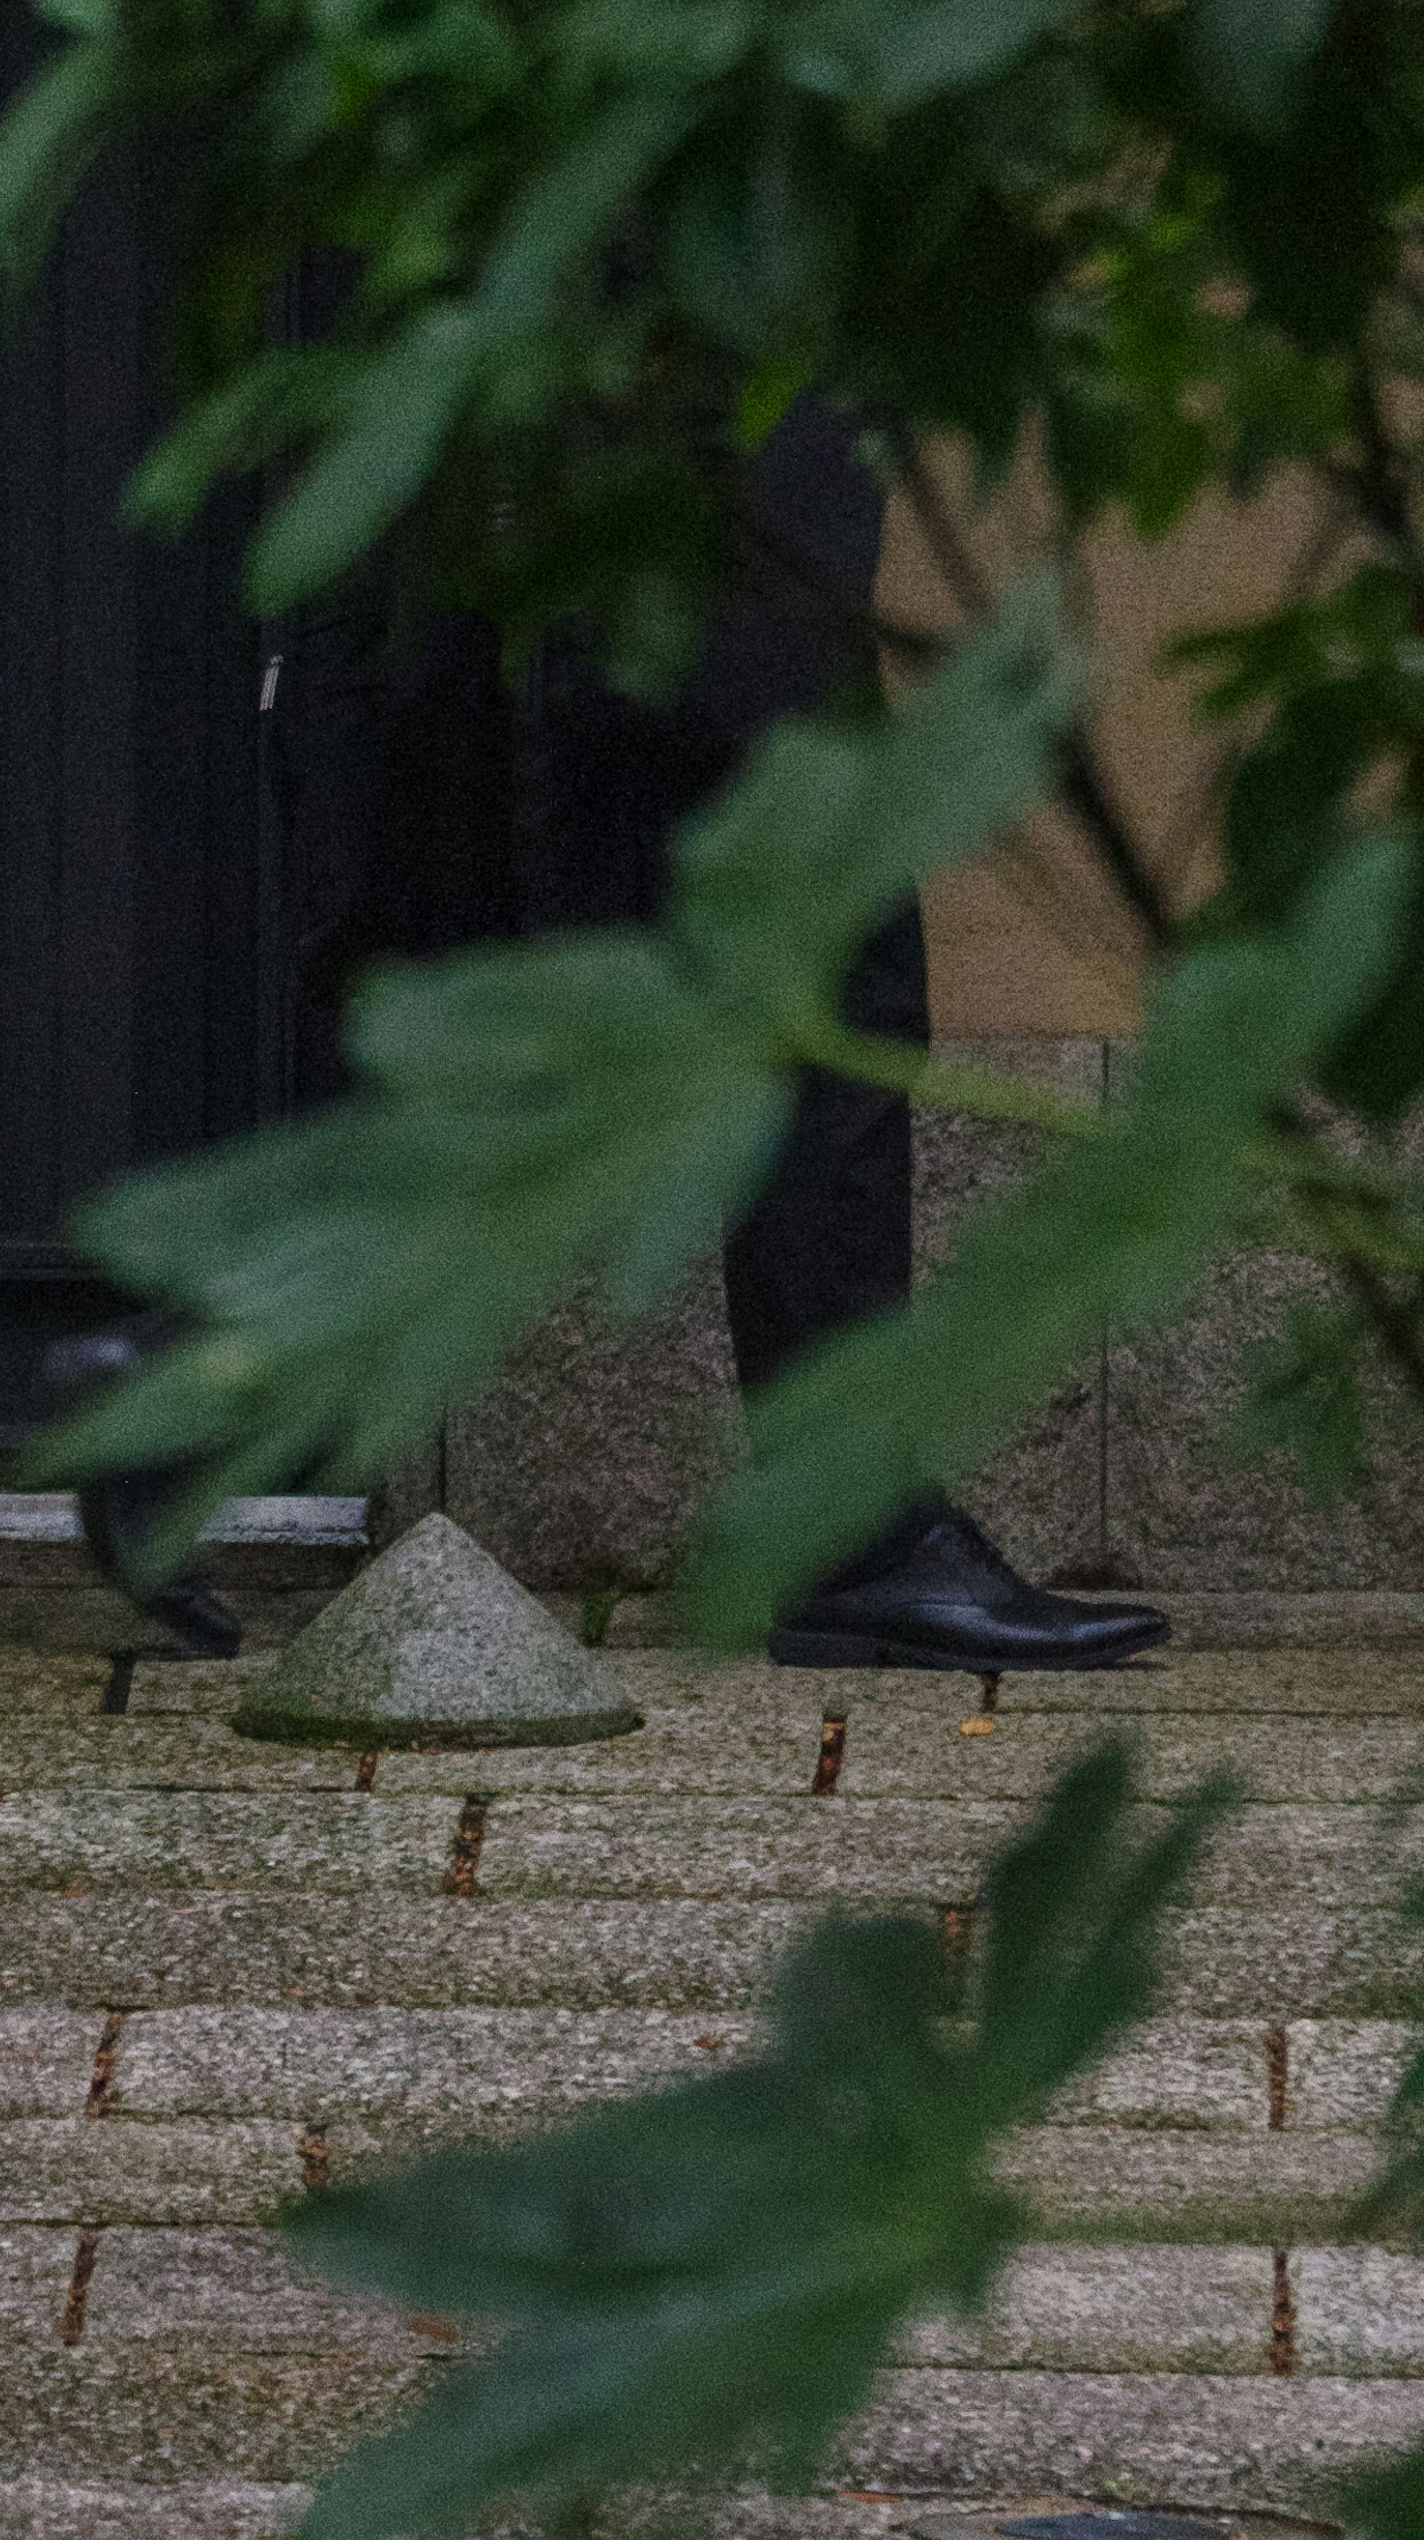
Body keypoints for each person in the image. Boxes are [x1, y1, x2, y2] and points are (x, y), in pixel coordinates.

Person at [273, 402, 1166, 1672]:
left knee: (496, 933)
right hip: (685, 467)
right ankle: (853, 1537)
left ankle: (159, 1371)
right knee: (816, 971)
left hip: (609, 474)